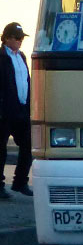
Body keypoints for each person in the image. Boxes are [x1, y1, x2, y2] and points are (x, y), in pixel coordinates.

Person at [0, 22, 33, 199]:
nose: (20, 42)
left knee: (28, 144)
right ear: (7, 38)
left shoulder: (21, 56)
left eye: (21, 38)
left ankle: (20, 182)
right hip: (5, 111)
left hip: (21, 110)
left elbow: (26, 82)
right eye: (17, 38)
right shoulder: (1, 57)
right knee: (1, 148)